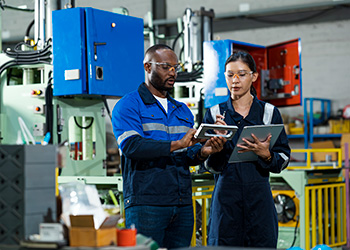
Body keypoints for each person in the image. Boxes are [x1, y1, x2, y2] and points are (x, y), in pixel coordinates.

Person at [112, 44, 226, 249]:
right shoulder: (128, 105)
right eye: (166, 67)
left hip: (182, 203)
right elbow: (132, 146)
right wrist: (177, 144)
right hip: (146, 203)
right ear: (148, 67)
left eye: (175, 67)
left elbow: (186, 154)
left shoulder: (181, 110)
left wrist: (203, 151)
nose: (172, 72)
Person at [203, 50, 291, 248]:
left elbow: (283, 158)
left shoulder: (269, 113)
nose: (235, 80)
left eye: (241, 74)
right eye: (230, 74)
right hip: (226, 200)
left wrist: (267, 155)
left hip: (259, 199)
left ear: (254, 76)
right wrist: (217, 148)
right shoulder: (215, 114)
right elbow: (208, 165)